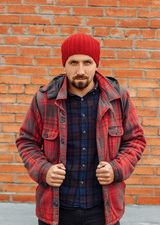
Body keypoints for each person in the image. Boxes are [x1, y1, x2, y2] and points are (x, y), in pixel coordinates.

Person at [16, 33, 146, 225]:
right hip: (56, 210)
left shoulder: (117, 98)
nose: (81, 70)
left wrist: (116, 168)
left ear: (96, 64)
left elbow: (136, 140)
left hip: (103, 209)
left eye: (87, 62)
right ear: (64, 64)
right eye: (73, 62)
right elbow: (26, 141)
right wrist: (44, 171)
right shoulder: (44, 99)